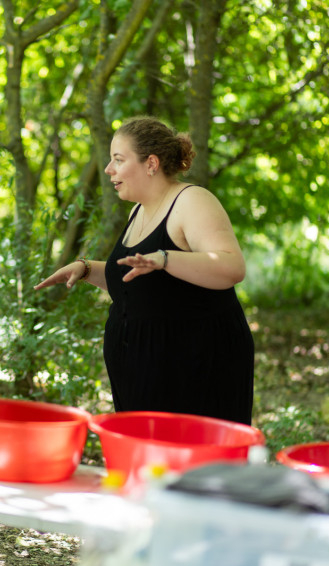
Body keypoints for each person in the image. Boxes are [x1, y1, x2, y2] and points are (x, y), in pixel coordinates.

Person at [34, 116, 254, 425]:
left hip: (193, 368)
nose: (108, 169)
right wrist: (85, 269)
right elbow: (140, 283)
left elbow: (231, 267)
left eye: (118, 160)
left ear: (151, 163)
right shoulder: (138, 211)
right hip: (141, 372)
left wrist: (165, 258)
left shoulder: (192, 201)